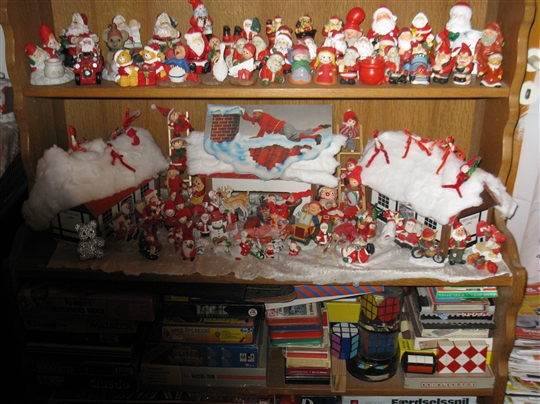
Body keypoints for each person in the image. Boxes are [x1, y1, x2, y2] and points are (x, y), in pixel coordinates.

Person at [241, 108, 330, 144]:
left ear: (261, 112)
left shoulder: (265, 116)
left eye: (255, 113)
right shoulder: (258, 119)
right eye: (253, 114)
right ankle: (321, 127)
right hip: (283, 129)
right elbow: (247, 118)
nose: (254, 115)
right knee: (305, 132)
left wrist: (258, 137)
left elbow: (263, 127)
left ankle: (315, 137)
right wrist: (242, 111)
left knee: (291, 137)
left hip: (284, 126)